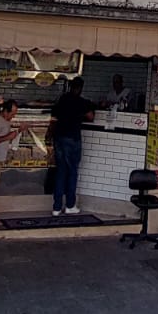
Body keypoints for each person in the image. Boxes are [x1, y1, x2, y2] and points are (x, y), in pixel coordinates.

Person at [49, 77, 95, 216]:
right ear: (80, 88)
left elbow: (54, 117)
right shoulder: (81, 102)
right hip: (72, 139)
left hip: (59, 138)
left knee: (60, 172)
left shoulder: (62, 99)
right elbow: (91, 117)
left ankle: (56, 208)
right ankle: (70, 205)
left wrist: (50, 134)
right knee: (72, 172)